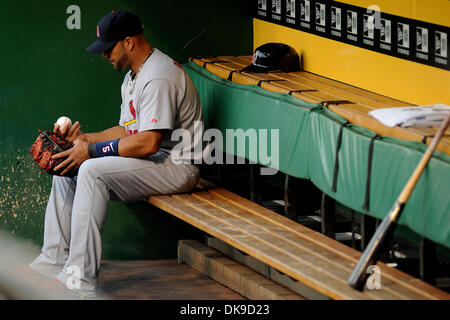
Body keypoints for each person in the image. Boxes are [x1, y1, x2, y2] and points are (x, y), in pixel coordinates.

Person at [28, 10, 203, 297]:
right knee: (69, 163)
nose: (104, 55)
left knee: (90, 170)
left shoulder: (159, 77)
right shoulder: (134, 77)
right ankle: (52, 260)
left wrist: (92, 152)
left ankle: (79, 281)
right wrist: (82, 142)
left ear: (129, 42)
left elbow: (148, 143)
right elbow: (127, 131)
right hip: (154, 160)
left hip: (178, 166)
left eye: (108, 48)